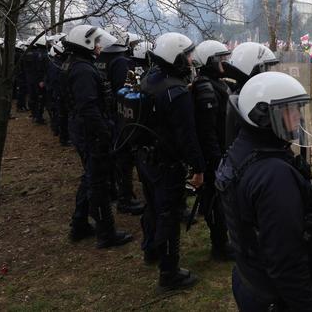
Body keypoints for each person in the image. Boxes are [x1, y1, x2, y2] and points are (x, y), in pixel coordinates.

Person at [216, 71, 312, 311]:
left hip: (250, 278)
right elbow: (286, 261)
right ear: (263, 117)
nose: (299, 117)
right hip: (275, 296)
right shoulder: (273, 175)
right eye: (291, 110)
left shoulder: (241, 149)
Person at [137, 32, 205, 292]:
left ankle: (150, 251)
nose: (190, 60)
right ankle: (169, 273)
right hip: (166, 164)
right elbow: (188, 137)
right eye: (187, 55)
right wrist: (198, 168)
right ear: (175, 57)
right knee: (169, 214)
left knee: (152, 207)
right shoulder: (176, 93)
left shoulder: (150, 79)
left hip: (145, 158)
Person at [62, 24, 133, 248]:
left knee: (90, 177)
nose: (99, 46)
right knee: (99, 183)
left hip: (84, 129)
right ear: (85, 43)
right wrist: (103, 134)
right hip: (90, 131)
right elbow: (89, 107)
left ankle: (79, 224)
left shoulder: (76, 63)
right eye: (96, 42)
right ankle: (106, 234)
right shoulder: (82, 69)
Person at [191, 40, 234, 261]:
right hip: (214, 154)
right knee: (215, 200)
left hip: (221, 150)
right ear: (209, 61)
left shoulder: (214, 83)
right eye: (220, 59)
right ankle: (220, 245)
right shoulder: (206, 88)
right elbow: (207, 130)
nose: (225, 63)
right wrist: (216, 159)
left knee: (219, 198)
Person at [95, 26, 143, 215]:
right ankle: (125, 199)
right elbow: (124, 92)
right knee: (124, 157)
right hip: (118, 116)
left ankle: (114, 192)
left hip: (105, 113)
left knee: (113, 156)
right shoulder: (121, 61)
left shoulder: (100, 58)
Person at [22, 35, 49, 123]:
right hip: (38, 80)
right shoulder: (39, 54)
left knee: (32, 97)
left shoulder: (25, 53)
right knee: (40, 98)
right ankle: (38, 116)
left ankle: (33, 114)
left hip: (29, 78)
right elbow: (42, 68)